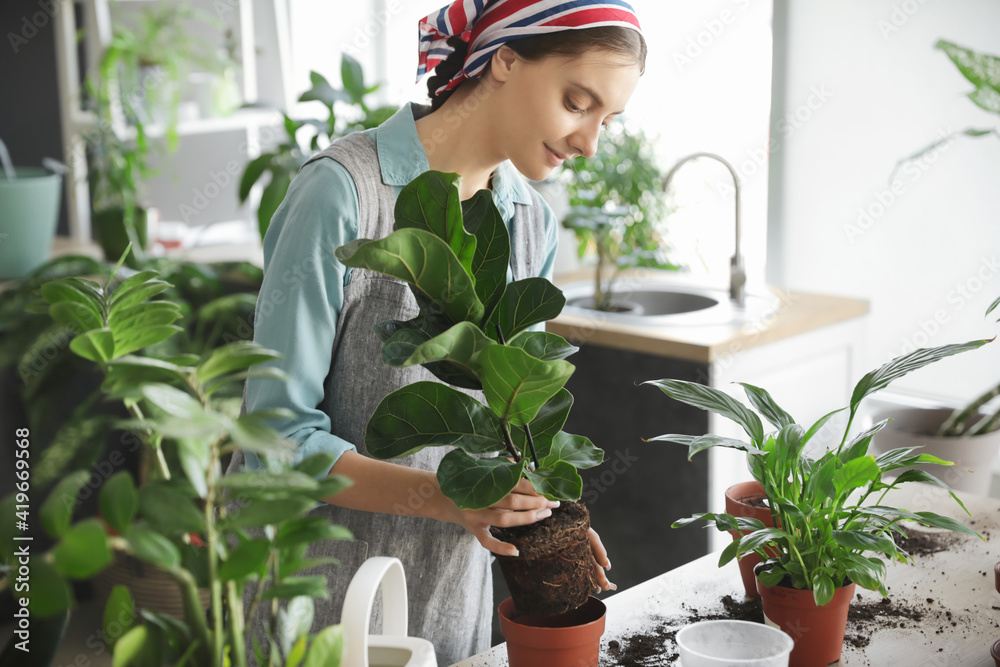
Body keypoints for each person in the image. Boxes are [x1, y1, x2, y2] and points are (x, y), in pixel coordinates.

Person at [226, 0, 646, 663]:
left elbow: (504, 419)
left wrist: (545, 509)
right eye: (576, 102)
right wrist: (449, 498)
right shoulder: (344, 194)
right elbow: (274, 438)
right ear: (504, 59)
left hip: (454, 610)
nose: (589, 143)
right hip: (323, 608)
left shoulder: (531, 224)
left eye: (608, 120)